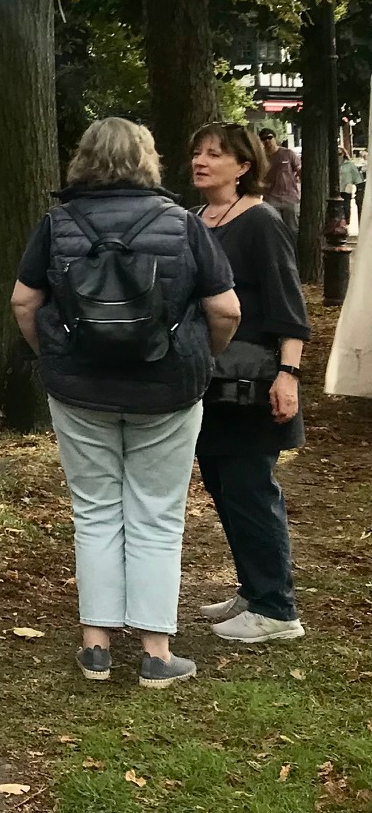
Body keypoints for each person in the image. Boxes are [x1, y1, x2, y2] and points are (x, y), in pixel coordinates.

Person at [12, 117, 240, 689]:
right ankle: (157, 653)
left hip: (80, 391)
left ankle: (96, 646)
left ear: (84, 159)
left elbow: (22, 301)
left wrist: (54, 355)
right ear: (147, 160)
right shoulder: (182, 224)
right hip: (166, 391)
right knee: (158, 514)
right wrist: (199, 358)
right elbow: (227, 310)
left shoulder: (58, 223)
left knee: (93, 511)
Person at [189, 122, 309, 645]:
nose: (201, 161)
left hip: (253, 380)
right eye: (197, 152)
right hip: (209, 382)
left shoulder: (261, 221)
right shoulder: (195, 220)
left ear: (243, 167)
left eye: (216, 154)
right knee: (223, 487)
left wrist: (289, 374)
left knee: (250, 490)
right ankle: (254, 588)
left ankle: (277, 609)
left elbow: (289, 304)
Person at [258, 129, 301, 245]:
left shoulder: (288, 153)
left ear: (275, 138)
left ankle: (294, 254)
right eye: (263, 139)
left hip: (290, 198)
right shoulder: (261, 158)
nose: (267, 141)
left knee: (293, 229)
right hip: (271, 198)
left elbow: (299, 169)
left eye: (269, 137)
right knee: (275, 230)